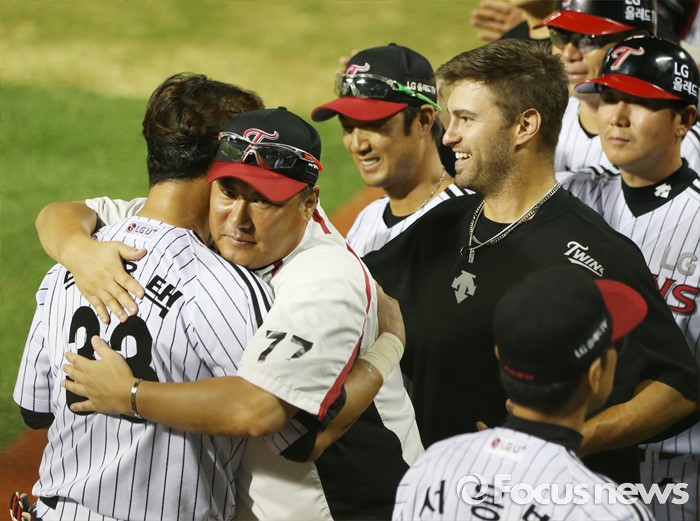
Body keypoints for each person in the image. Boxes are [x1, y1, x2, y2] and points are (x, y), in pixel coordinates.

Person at [361, 38, 699, 486]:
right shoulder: (446, 220)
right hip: (437, 493)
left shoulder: (597, 253)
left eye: (466, 119)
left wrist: (565, 440)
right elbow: (361, 285)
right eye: (450, 118)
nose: (448, 136)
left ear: (525, 125)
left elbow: (678, 388)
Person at [57, 107, 423, 520]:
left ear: (308, 202)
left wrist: (130, 395)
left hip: (350, 504)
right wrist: (79, 250)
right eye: (229, 192)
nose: (238, 220)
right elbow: (63, 214)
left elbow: (263, 413)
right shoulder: (214, 223)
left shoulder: (325, 276)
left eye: (264, 200)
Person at [13, 72, 275, 521]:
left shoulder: (69, 265)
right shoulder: (231, 285)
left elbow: (34, 411)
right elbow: (278, 421)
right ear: (222, 167)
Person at [561, 35, 700, 521]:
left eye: (639, 101)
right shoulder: (570, 195)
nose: (616, 116)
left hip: (676, 477)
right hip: (570, 467)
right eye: (609, 98)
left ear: (684, 119)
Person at [392, 266, 654, 521]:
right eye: (616, 345)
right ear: (595, 374)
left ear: (500, 356)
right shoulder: (611, 511)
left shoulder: (430, 467)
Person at [311, 43, 469, 257]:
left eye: (373, 126)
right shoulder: (368, 218)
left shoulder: (466, 222)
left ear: (424, 120)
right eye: (348, 128)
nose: (357, 145)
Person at [534, 0, 700, 174]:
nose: (568, 54)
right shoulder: (541, 120)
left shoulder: (684, 144)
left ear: (638, 39)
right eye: (559, 36)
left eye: (588, 39)